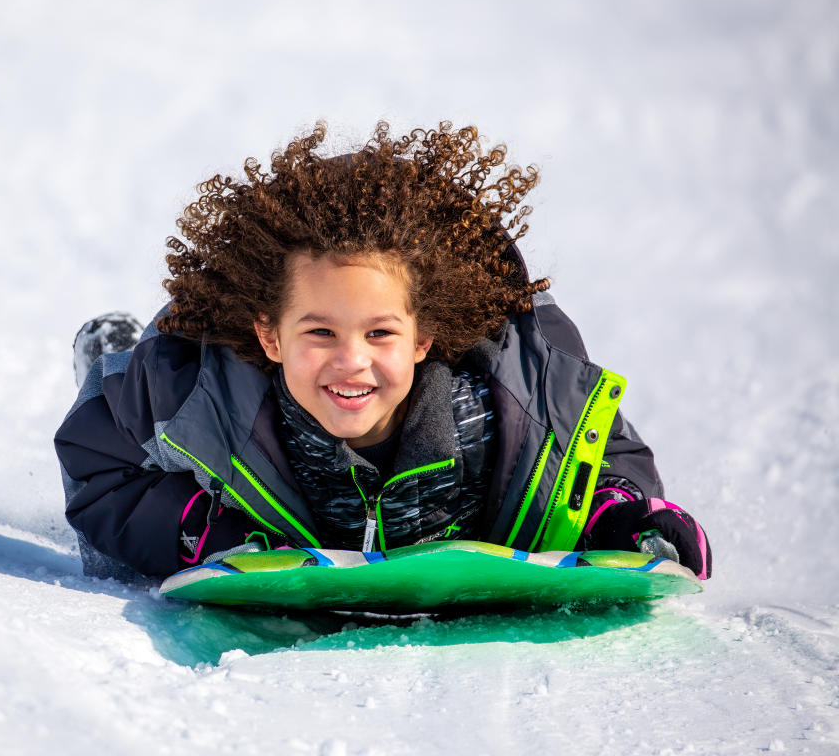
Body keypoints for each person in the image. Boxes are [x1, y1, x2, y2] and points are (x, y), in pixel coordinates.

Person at [54, 121, 712, 584]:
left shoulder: (526, 395)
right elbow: (97, 458)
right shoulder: (190, 385)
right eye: (319, 333)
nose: (351, 362)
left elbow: (603, 462)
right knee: (122, 469)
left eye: (379, 334)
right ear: (272, 335)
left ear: (422, 335)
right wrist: (203, 534)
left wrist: (623, 520)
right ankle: (111, 348)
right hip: (192, 371)